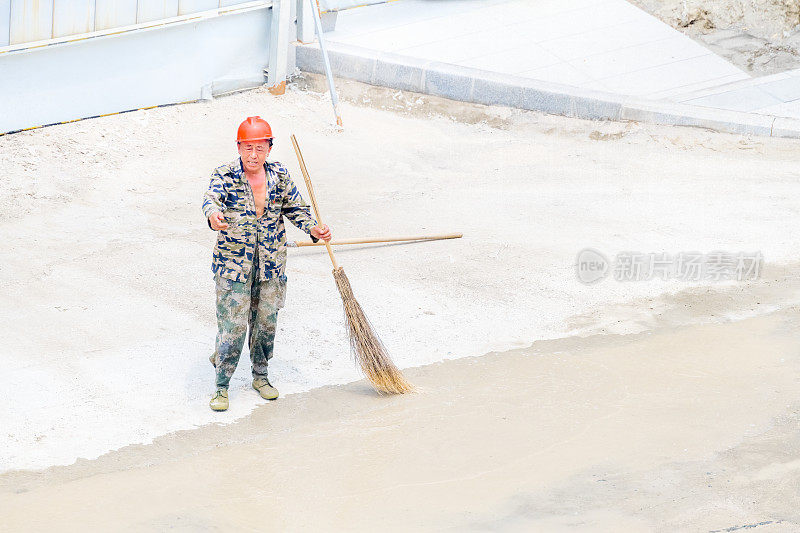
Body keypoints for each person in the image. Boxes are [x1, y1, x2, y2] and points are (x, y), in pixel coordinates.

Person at [202, 116, 331, 411]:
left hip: (271, 265)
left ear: (269, 148)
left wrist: (313, 228)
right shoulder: (225, 175)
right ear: (238, 147)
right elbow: (211, 200)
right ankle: (222, 386)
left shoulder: (279, 176)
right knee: (232, 327)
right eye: (247, 148)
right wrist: (213, 216)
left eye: (259, 148)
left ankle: (261, 376)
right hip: (233, 266)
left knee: (265, 324)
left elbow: (296, 207)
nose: (253, 155)